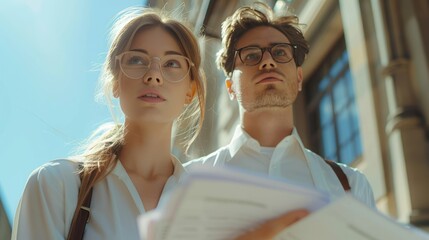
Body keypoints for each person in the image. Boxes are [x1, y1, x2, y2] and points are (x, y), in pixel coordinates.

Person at [11, 7, 206, 239]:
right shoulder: (56, 186)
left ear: (190, 91)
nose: (154, 75)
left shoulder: (209, 209)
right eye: (136, 59)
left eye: (172, 63)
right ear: (115, 82)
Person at [185, 2, 375, 208]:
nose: (268, 62)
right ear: (230, 87)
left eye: (280, 52)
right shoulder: (187, 182)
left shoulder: (351, 186)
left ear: (299, 78)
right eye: (251, 55)